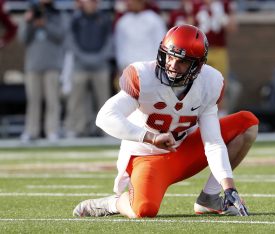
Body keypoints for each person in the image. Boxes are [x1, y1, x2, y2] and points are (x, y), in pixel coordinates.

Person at [72, 25, 259, 218]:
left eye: (182, 61)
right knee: (144, 210)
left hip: (184, 149)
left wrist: (229, 187)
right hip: (147, 157)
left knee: (247, 123)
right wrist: (150, 137)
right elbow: (105, 116)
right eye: (169, 56)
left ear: (198, 65)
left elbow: (213, 141)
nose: (172, 65)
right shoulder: (143, 76)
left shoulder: (210, 82)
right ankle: (114, 203)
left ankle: (210, 198)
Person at [64, 0, 113, 137]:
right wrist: (83, 57)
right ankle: (75, 128)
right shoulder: (75, 18)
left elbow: (109, 40)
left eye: (94, 2)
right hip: (80, 64)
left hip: (100, 65)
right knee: (76, 99)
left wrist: (100, 57)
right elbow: (71, 40)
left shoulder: (104, 18)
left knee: (103, 99)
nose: (91, 4)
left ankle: (107, 129)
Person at [18, 0, 65, 142]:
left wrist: (45, 24)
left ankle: (53, 131)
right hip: (33, 65)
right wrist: (29, 22)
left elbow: (61, 35)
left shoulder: (57, 14)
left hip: (52, 64)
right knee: (33, 101)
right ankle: (31, 131)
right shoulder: (30, 14)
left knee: (53, 100)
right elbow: (23, 38)